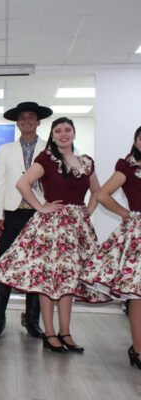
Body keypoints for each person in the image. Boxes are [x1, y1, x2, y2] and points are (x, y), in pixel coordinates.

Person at [0, 117, 109, 353]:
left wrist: (88, 210)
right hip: (52, 226)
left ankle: (65, 332)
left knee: (68, 280)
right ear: (53, 136)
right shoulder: (46, 158)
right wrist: (41, 206)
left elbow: (97, 190)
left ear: (74, 134)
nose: (63, 134)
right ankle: (49, 332)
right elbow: (22, 183)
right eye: (58, 131)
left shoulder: (86, 162)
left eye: (67, 130)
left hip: (76, 228)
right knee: (47, 280)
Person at [0, 101, 52, 341]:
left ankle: (32, 320)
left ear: (38, 121)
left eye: (31, 117)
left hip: (40, 214)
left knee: (36, 268)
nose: (26, 121)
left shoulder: (50, 148)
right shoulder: (5, 149)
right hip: (13, 213)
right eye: (22, 118)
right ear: (17, 123)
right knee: (4, 267)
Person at [79, 126, 141, 368]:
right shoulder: (128, 167)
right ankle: (138, 350)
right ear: (136, 142)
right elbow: (102, 195)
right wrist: (127, 214)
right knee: (138, 294)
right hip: (138, 234)